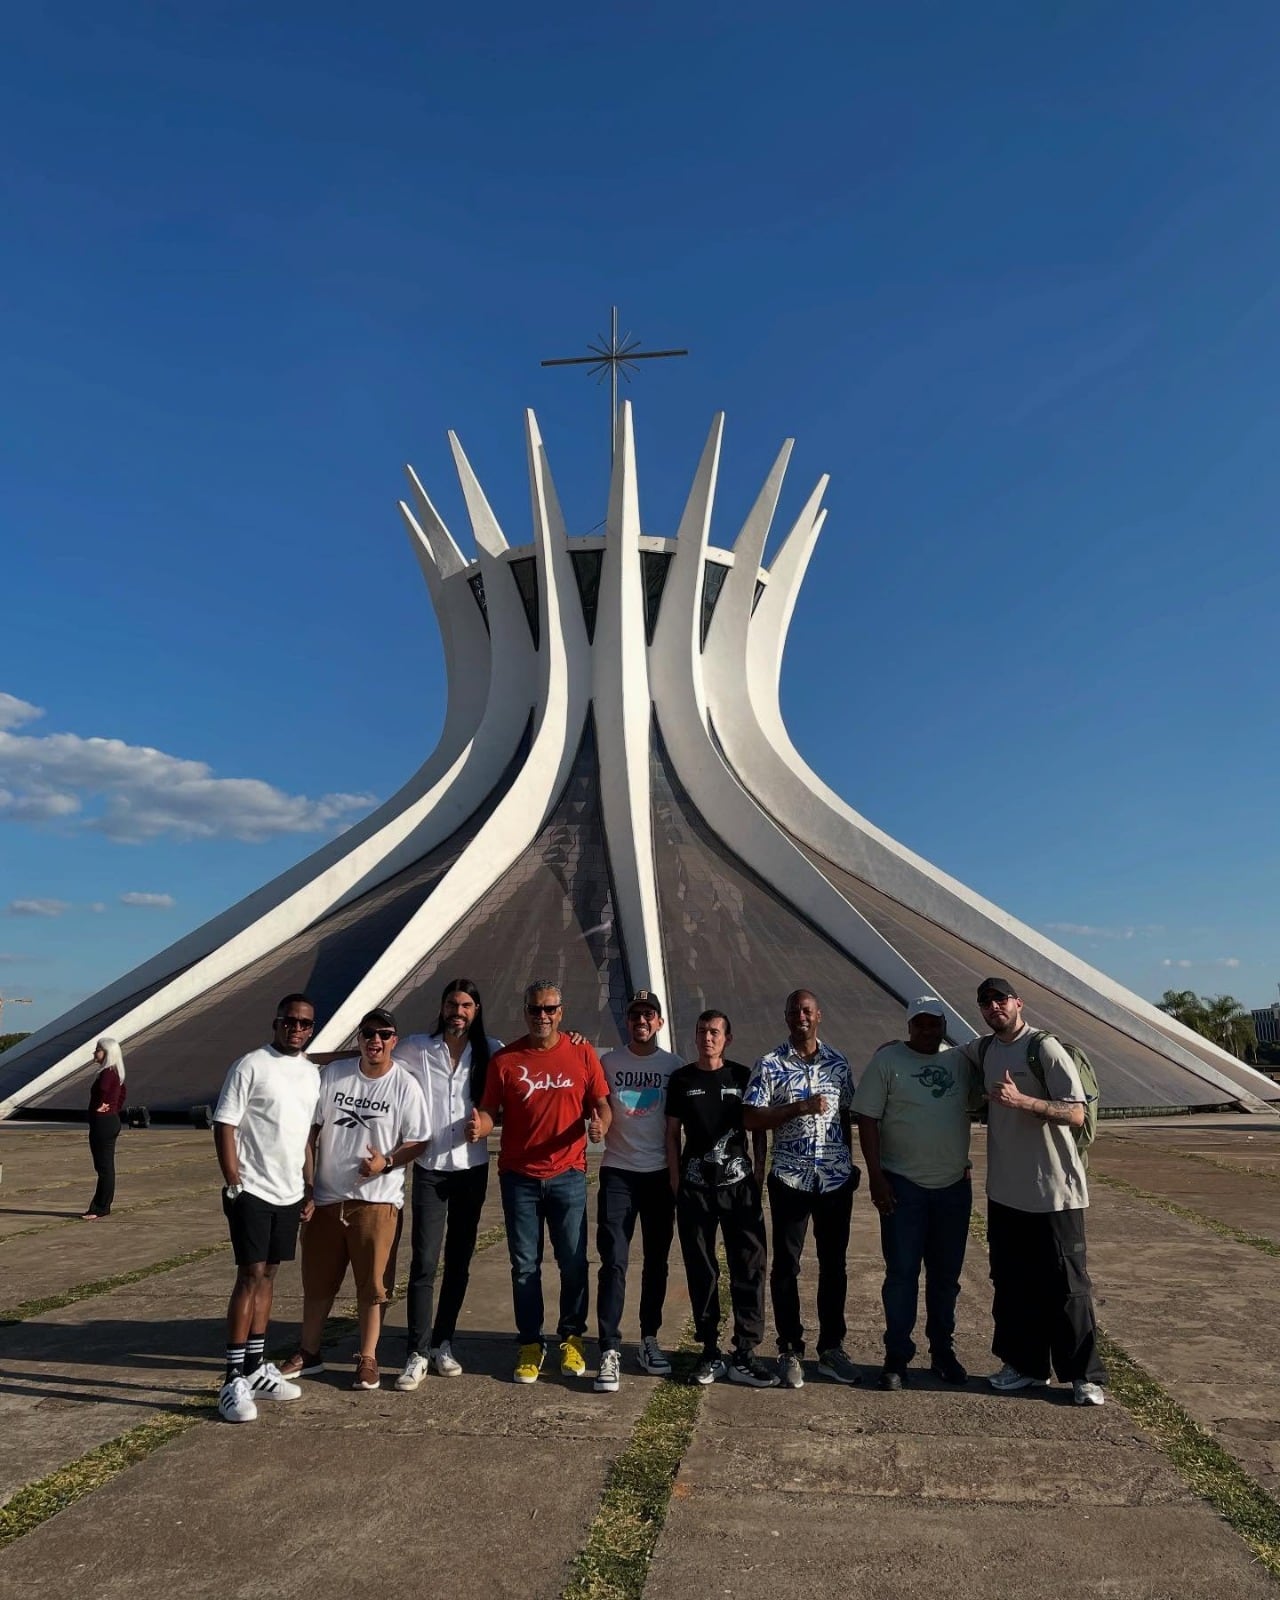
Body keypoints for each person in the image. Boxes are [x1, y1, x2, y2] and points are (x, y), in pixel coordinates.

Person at [967, 976, 1107, 1406]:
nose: (994, 1007)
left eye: (1000, 1000)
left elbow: (1076, 1113)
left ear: (1018, 1003)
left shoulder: (1043, 1048)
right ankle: (1026, 1367)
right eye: (986, 1002)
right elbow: (933, 1052)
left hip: (1055, 1192)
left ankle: (1083, 1375)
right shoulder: (985, 1049)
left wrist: (1022, 1101)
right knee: (1012, 1284)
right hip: (1007, 1192)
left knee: (1067, 1286)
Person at [470, 980, 611, 1384]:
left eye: (550, 1009)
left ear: (561, 1012)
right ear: (525, 1011)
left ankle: (571, 1337)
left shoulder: (581, 1053)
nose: (542, 1016)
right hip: (520, 1178)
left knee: (572, 1262)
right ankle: (530, 1343)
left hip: (567, 1174)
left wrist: (601, 1125)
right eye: (535, 1009)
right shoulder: (506, 1060)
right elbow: (488, 1110)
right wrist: (477, 1127)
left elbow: (600, 1104)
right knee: (524, 1267)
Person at [288, 1008, 429, 1392]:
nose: (376, 1041)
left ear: (394, 1040)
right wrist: (309, 1186)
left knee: (372, 1287)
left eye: (384, 1034)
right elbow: (310, 1132)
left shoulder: (404, 1085)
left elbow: (418, 1140)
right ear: (359, 1040)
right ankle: (309, 1352)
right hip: (329, 1199)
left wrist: (386, 1164)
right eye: (369, 1034)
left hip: (376, 1203)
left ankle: (368, 1358)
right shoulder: (334, 1075)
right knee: (317, 1283)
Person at [853, 996, 972, 1390]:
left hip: (953, 1186)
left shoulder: (958, 1061)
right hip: (903, 1185)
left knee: (945, 1277)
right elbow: (867, 1117)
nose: (927, 1030)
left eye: (934, 1023)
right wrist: (876, 1176)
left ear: (943, 1025)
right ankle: (897, 1356)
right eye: (919, 1023)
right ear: (908, 1026)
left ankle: (942, 1352)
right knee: (902, 1275)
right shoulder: (888, 1062)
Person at [212, 994, 319, 1424]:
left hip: (289, 1191)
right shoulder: (250, 1065)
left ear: (312, 1028)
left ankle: (257, 1367)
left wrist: (309, 1185)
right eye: (289, 1021)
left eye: (304, 1023)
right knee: (250, 1275)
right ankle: (232, 1375)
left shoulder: (312, 1074)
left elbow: (306, 1137)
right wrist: (234, 1182)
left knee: (271, 1273)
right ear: (276, 1023)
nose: (296, 1028)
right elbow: (225, 1124)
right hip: (252, 1188)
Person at [392, 978, 504, 1391]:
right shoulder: (417, 1047)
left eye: (467, 1005)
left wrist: (577, 1039)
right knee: (424, 1262)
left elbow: (530, 1063)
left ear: (476, 1010)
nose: (459, 1011)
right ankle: (416, 1351)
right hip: (430, 1168)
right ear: (442, 1008)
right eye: (452, 1004)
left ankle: (443, 1342)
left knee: (458, 1262)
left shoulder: (491, 1049)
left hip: (471, 1169)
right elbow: (378, 1064)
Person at [744, 989, 860, 1388]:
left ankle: (832, 1348)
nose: (801, 1017)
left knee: (834, 1265)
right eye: (794, 1011)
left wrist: (851, 1162)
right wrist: (797, 1107)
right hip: (790, 1179)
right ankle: (790, 1346)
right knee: (786, 1266)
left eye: (808, 1011)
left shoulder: (838, 1064)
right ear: (786, 1017)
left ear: (819, 1015)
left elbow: (847, 1116)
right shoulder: (770, 1065)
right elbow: (752, 1118)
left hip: (834, 1180)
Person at [666, 1010, 777, 1388]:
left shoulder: (743, 1076)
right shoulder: (682, 1079)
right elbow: (671, 1134)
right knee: (702, 1268)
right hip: (696, 1189)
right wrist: (677, 1183)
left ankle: (745, 1350)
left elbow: (758, 1128)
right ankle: (710, 1349)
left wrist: (758, 1174)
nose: (707, 1038)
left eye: (714, 1032)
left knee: (750, 1266)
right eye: (701, 1032)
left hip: (739, 1186)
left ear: (727, 1038)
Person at [593, 989, 681, 1394]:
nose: (641, 1021)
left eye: (649, 1015)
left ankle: (649, 1338)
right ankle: (609, 1347)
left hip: (659, 1176)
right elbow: (591, 1095)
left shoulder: (674, 1067)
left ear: (659, 1022)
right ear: (626, 1022)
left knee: (657, 1263)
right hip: (618, 1173)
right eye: (634, 1015)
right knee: (613, 1260)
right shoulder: (607, 1062)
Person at [82, 1037, 127, 1220]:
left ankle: (100, 1207)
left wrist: (101, 1105)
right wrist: (114, 1107)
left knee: (104, 1167)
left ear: (107, 1053)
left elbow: (102, 1089)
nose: (95, 1053)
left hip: (103, 1122)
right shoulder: (116, 1072)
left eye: (98, 1050)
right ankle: (102, 1205)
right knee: (105, 1166)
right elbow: (122, 1092)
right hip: (110, 1120)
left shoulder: (107, 1073)